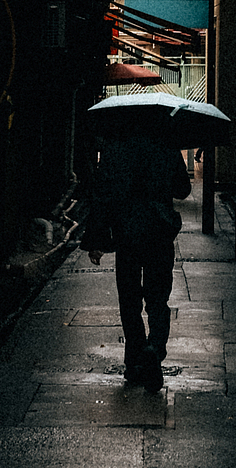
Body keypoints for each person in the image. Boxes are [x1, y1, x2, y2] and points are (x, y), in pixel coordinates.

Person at [81, 126, 191, 392]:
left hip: (127, 232)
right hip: (159, 231)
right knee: (158, 299)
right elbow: (183, 189)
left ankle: (134, 362)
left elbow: (102, 195)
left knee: (129, 300)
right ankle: (154, 347)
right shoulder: (166, 143)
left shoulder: (115, 146)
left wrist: (96, 241)